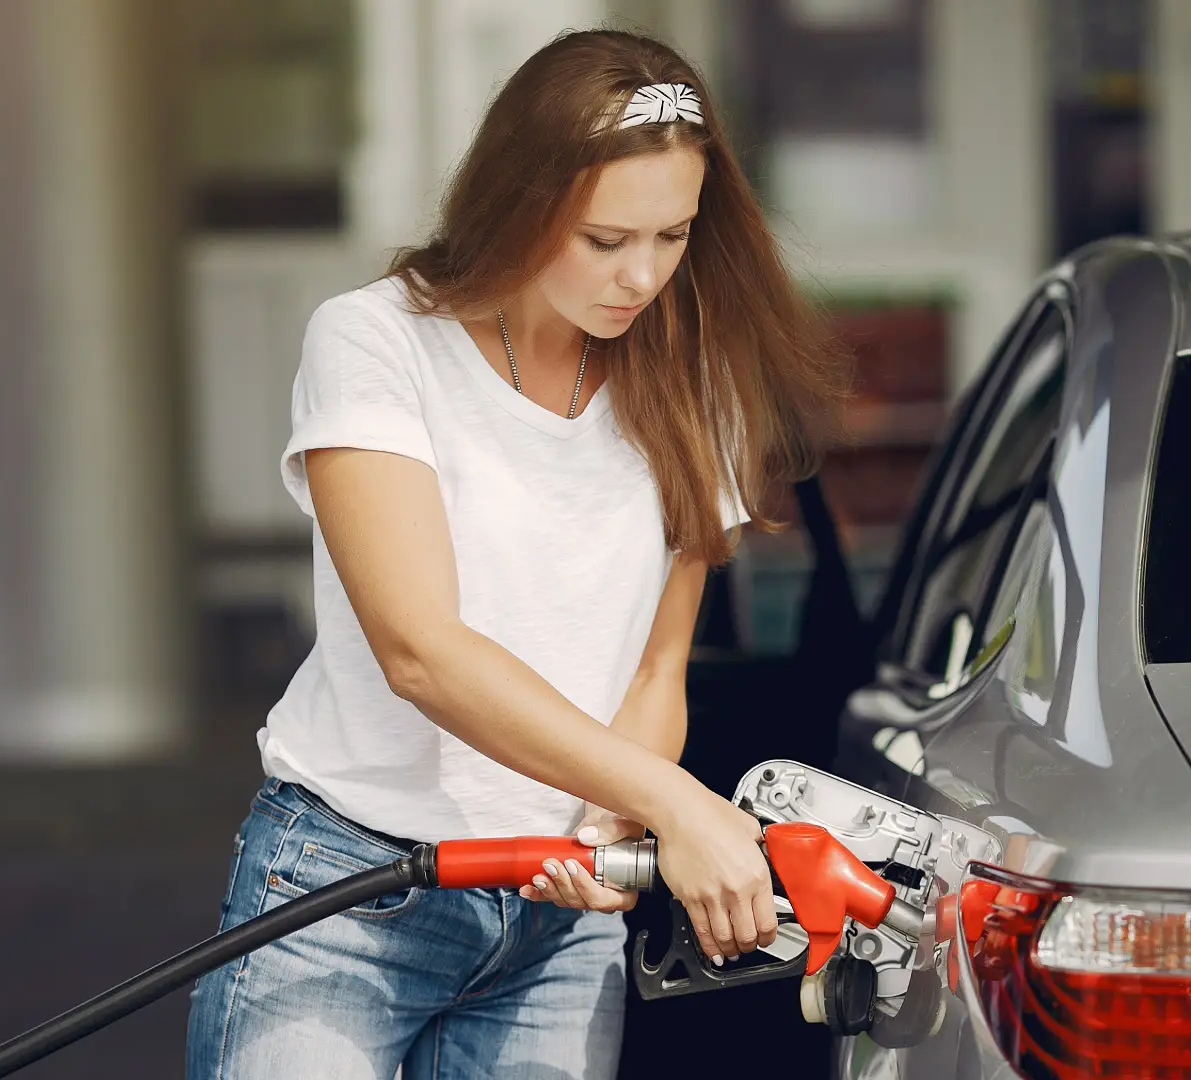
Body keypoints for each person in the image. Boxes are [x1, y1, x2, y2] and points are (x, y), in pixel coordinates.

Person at [184, 28, 848, 1080]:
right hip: (354, 886)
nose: (641, 275)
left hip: (560, 925)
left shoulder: (695, 377)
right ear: (520, 201)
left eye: (673, 236)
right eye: (603, 238)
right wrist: (679, 803)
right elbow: (422, 651)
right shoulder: (377, 341)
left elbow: (653, 668)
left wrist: (616, 815)